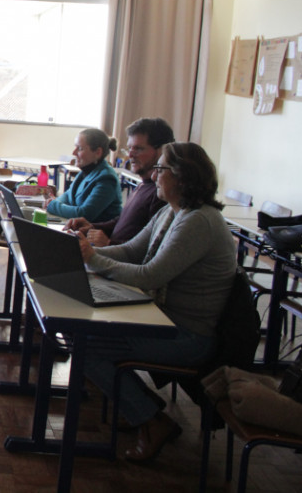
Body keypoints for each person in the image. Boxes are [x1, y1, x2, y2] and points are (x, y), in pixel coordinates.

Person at [76, 142, 236, 462]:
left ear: (181, 177)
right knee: (86, 334)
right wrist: (80, 253)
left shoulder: (198, 222)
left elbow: (150, 275)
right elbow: (131, 251)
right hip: (160, 319)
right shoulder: (171, 211)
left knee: (87, 345)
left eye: (161, 169)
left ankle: (150, 420)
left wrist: (92, 257)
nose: (154, 174)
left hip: (187, 336)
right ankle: (142, 410)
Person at [65, 118, 174, 246]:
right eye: (129, 149)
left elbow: (149, 249)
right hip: (111, 256)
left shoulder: (161, 194)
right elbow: (123, 221)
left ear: (161, 151)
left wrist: (109, 243)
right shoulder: (143, 184)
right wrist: (92, 226)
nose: (130, 155)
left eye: (138, 149)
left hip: (116, 260)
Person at [44, 128, 122, 223]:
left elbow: (84, 214)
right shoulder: (85, 171)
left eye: (80, 148)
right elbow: (68, 195)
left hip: (95, 234)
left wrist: (53, 205)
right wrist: (55, 202)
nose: (74, 153)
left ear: (98, 152)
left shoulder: (107, 179)